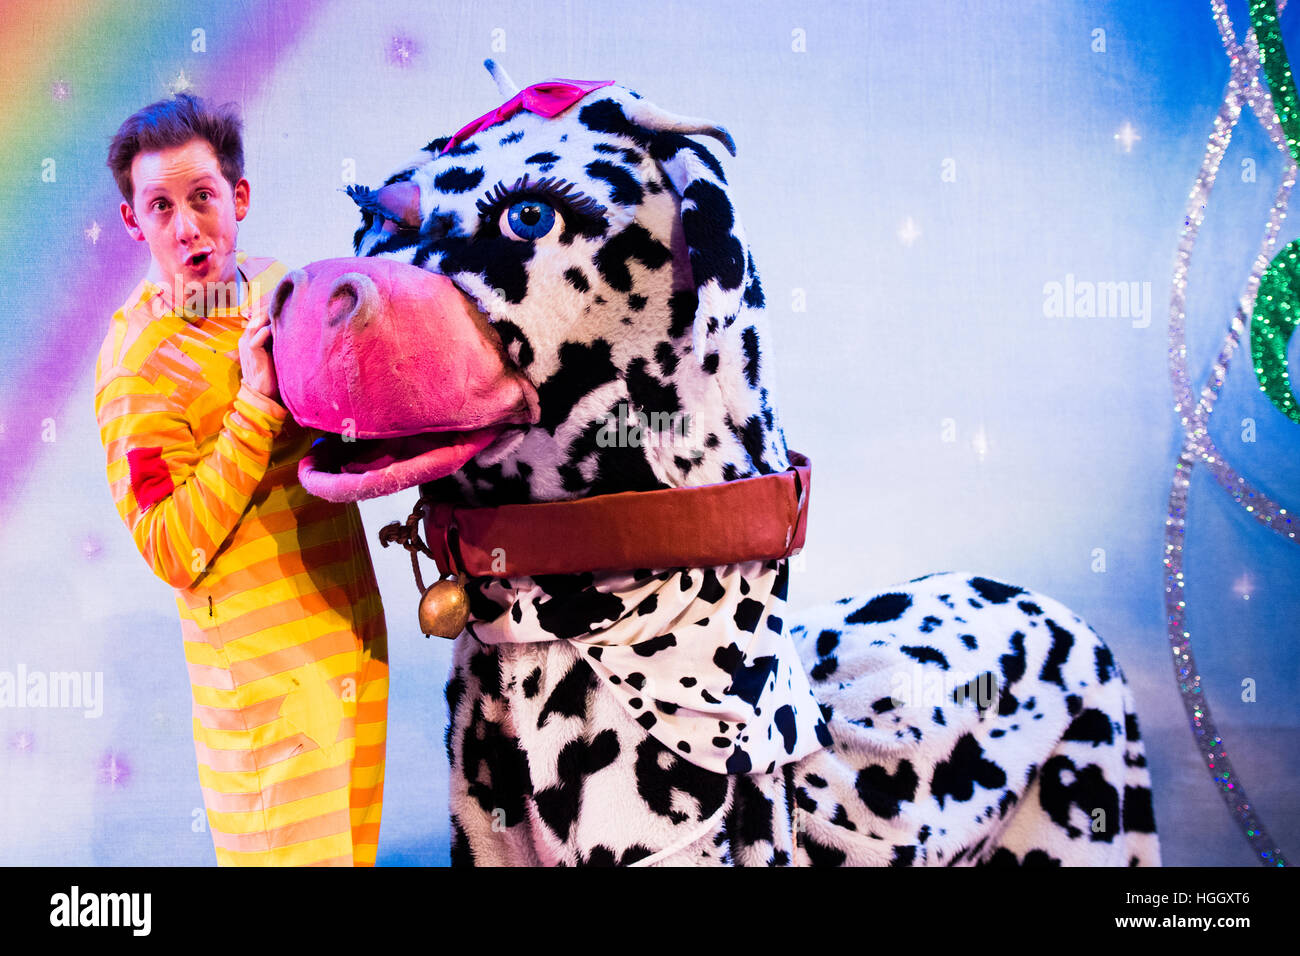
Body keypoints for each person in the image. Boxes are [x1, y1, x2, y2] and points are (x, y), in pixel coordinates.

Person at [93, 93, 389, 866]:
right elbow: (168, 548)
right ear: (134, 222)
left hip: (349, 656)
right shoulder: (138, 367)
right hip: (267, 703)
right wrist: (255, 404)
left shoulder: (275, 288)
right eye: (160, 206)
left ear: (239, 198)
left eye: (202, 197)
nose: (187, 225)